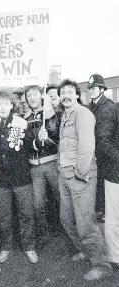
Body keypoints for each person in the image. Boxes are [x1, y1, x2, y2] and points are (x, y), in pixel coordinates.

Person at [58, 79, 112, 281]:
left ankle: (102, 264)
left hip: (80, 176)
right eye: (63, 92)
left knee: (85, 223)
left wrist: (80, 172)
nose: (66, 95)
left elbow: (87, 146)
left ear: (77, 94)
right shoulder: (66, 115)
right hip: (64, 174)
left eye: (70, 91)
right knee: (67, 219)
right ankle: (86, 251)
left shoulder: (83, 113)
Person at [0, 89, 38, 265]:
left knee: (26, 213)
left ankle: (29, 246)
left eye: (6, 103)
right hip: (0, 179)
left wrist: (39, 139)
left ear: (11, 105)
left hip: (21, 176)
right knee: (3, 215)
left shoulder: (21, 122)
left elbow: (32, 145)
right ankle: (5, 246)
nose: (2, 107)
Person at [24, 85, 60, 245]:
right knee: (38, 204)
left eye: (35, 94)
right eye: (29, 95)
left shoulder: (51, 112)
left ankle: (66, 232)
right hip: (34, 166)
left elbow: (56, 133)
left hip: (52, 161)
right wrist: (36, 141)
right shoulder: (24, 118)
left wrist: (49, 112)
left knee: (62, 199)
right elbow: (25, 143)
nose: (32, 98)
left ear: (41, 96)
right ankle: (44, 236)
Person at [87, 74, 114, 221]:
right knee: (96, 184)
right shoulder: (89, 106)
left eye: (94, 88)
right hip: (92, 153)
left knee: (104, 185)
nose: (91, 90)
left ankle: (105, 213)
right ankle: (99, 211)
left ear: (102, 89)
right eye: (89, 88)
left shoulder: (109, 107)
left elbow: (107, 136)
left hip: (104, 154)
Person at [97, 101, 119, 266]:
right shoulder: (112, 110)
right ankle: (115, 256)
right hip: (115, 173)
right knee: (114, 217)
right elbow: (104, 141)